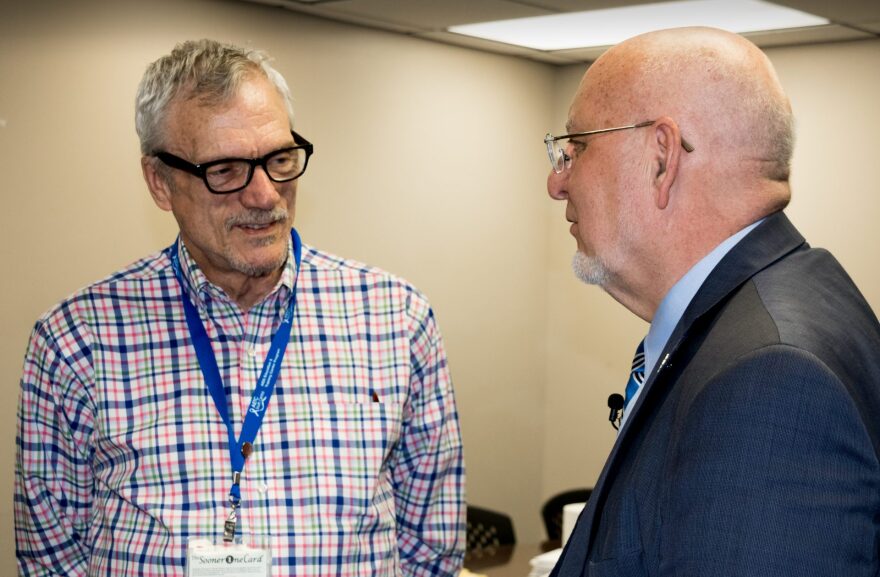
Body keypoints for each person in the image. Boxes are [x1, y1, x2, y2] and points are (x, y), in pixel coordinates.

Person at [15, 39, 464, 576]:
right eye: (226, 170)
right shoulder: (76, 340)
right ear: (161, 181)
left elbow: (430, 546)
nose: (264, 195)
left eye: (278, 159)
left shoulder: (396, 320)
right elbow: (51, 558)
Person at [545, 26, 880, 577]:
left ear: (661, 157)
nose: (557, 183)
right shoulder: (776, 309)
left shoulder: (769, 379)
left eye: (575, 147)